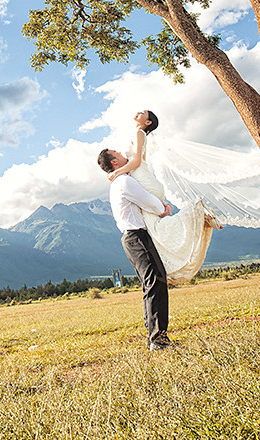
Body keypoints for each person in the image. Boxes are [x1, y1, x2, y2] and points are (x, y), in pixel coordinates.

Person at [102, 110, 221, 285]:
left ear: (148, 122)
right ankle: (194, 217)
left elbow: (135, 162)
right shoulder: (138, 134)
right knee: (155, 226)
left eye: (143, 113)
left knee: (156, 228)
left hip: (142, 178)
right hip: (145, 179)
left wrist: (116, 174)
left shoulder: (138, 133)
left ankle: (196, 213)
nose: (138, 112)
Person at [99, 145, 173, 351]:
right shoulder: (124, 182)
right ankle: (157, 340)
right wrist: (163, 209)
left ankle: (154, 337)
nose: (124, 154)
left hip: (132, 239)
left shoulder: (119, 180)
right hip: (137, 237)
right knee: (156, 282)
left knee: (151, 284)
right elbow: (148, 201)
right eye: (119, 154)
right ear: (114, 162)